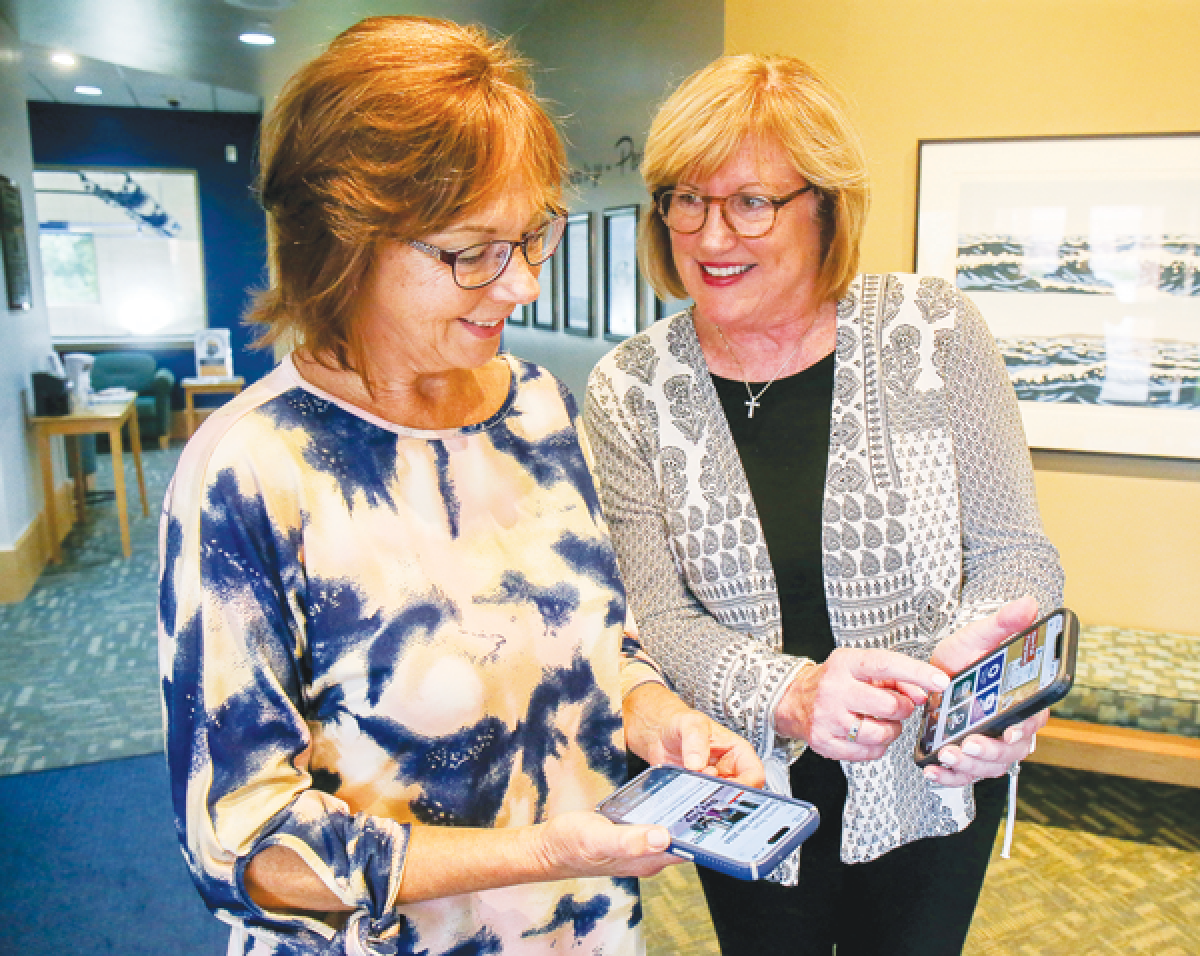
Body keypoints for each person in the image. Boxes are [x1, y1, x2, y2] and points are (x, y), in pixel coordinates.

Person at [157, 18, 763, 956]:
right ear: (344, 241)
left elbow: (602, 641)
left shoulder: (536, 409)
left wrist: (661, 719)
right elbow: (242, 843)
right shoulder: (252, 471)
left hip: (585, 934)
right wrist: (533, 852)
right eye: (471, 250)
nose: (517, 283)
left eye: (532, 238)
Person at [583, 53, 1065, 956]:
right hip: (749, 789)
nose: (711, 235)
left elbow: (1016, 551)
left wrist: (988, 665)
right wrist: (796, 694)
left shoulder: (933, 333)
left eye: (751, 201)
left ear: (826, 207)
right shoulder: (629, 391)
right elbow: (656, 615)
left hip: (930, 778)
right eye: (685, 199)